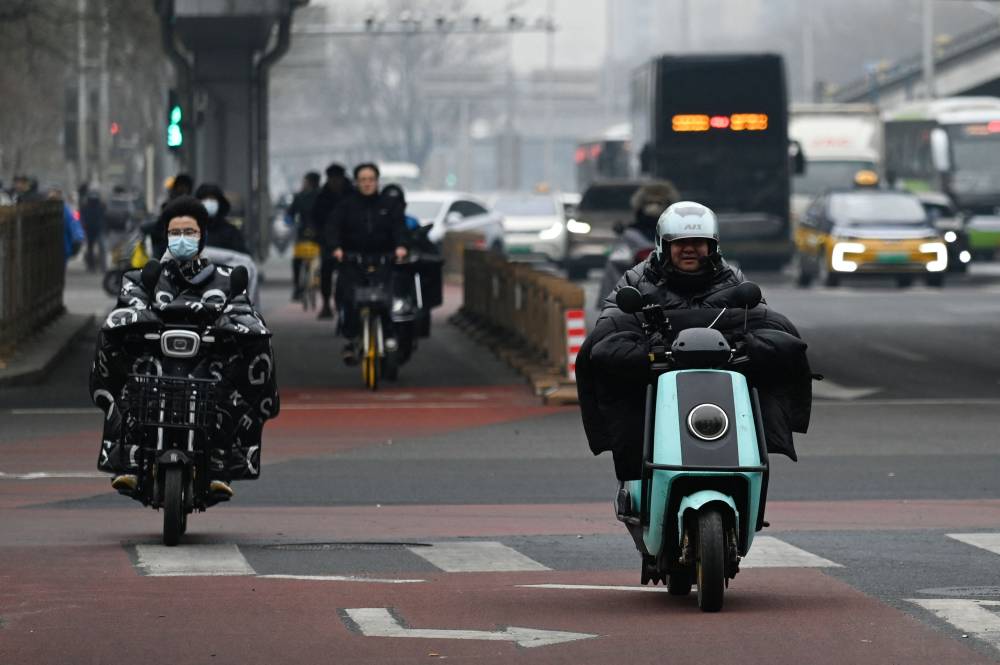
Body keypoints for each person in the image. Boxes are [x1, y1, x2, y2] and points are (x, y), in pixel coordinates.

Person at [576, 201, 813, 485]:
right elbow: (609, 328)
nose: (689, 249)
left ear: (713, 246)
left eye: (698, 243)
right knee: (613, 376)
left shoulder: (733, 279)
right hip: (656, 384)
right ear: (663, 245)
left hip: (722, 384)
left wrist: (748, 344)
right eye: (680, 243)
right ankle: (636, 480)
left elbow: (766, 320)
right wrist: (645, 351)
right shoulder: (635, 280)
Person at [89, 196, 279, 498]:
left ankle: (221, 464)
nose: (182, 238)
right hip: (154, 366)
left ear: (202, 235)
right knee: (124, 372)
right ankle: (129, 462)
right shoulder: (142, 278)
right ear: (165, 235)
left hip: (208, 368)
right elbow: (127, 309)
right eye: (175, 232)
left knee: (248, 359)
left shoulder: (226, 279)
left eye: (189, 232)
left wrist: (227, 327)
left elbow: (242, 312)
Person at [328, 162, 408, 364]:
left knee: (390, 298)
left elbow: (400, 228)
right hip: (353, 261)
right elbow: (333, 228)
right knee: (349, 298)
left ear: (377, 181)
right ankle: (352, 339)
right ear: (356, 182)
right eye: (363, 180)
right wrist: (336, 248)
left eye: (371, 179)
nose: (367, 183)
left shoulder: (390, 204)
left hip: (384, 259)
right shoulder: (346, 205)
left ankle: (389, 335)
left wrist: (401, 247)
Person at [311, 163, 354, 319]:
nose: (335, 182)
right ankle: (326, 304)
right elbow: (316, 218)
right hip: (328, 241)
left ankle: (348, 304)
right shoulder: (323, 196)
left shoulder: (352, 194)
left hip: (350, 241)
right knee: (326, 272)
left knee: (350, 273)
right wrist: (319, 236)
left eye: (337, 179)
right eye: (332, 179)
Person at [288, 171, 321, 300]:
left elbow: (290, 214)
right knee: (321, 259)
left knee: (297, 261)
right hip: (319, 235)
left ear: (308, 182)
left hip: (303, 234)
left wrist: (292, 223)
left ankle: (297, 288)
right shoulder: (322, 196)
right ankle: (318, 280)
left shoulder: (300, 196)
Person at [194, 183, 249, 255]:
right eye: (205, 199)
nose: (209, 202)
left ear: (220, 203)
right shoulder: (190, 230)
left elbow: (242, 256)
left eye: (212, 199)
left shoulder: (231, 232)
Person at [49, 188, 86, 264]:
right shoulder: (66, 210)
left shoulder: (66, 210)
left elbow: (74, 225)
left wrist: (78, 238)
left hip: (61, 247)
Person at [79, 185, 107, 272]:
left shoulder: (100, 205)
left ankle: (100, 266)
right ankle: (94, 266)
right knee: (92, 248)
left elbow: (104, 216)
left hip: (96, 228)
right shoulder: (87, 206)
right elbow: (82, 217)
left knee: (97, 247)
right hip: (91, 228)